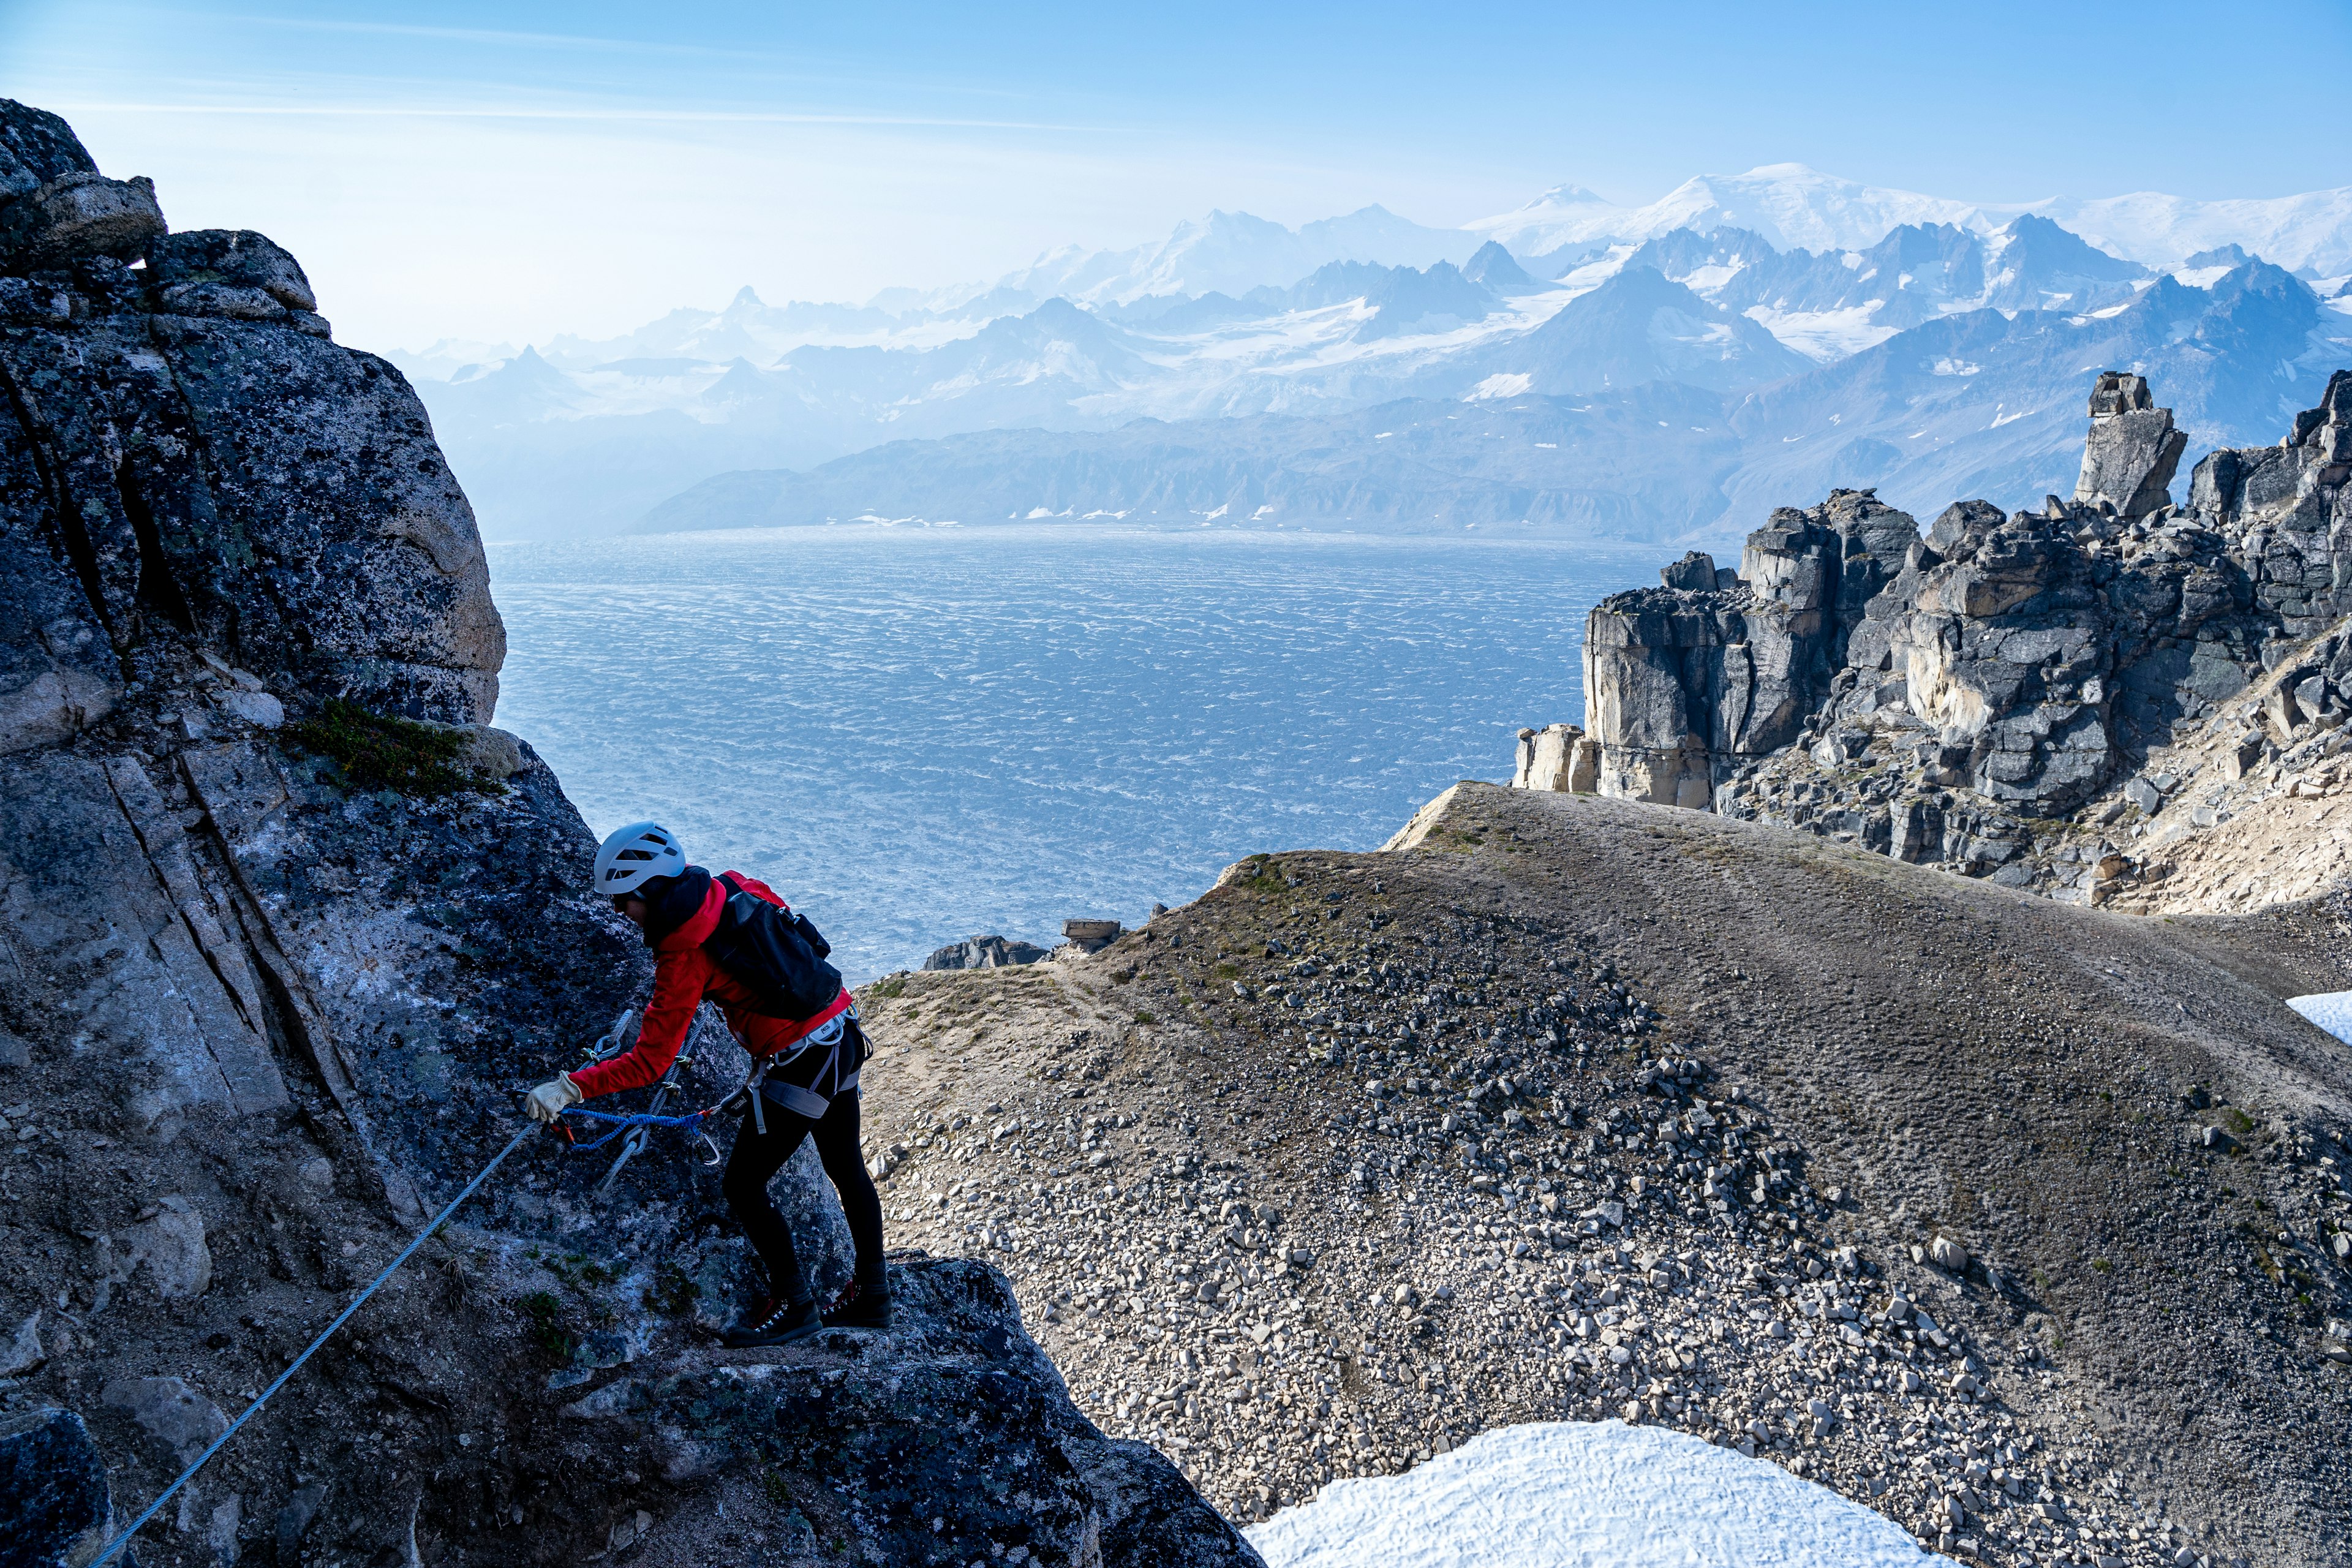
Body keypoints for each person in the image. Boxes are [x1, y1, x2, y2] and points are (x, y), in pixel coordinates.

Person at [523, 821, 890, 1346]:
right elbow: (806, 948)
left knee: (743, 1185)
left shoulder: (682, 957)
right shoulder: (735, 885)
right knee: (846, 1166)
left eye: (623, 902)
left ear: (649, 890)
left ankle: (797, 1306)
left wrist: (570, 1089)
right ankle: (874, 1298)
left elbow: (650, 1062)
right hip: (843, 1032)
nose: (621, 915)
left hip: (802, 1062)